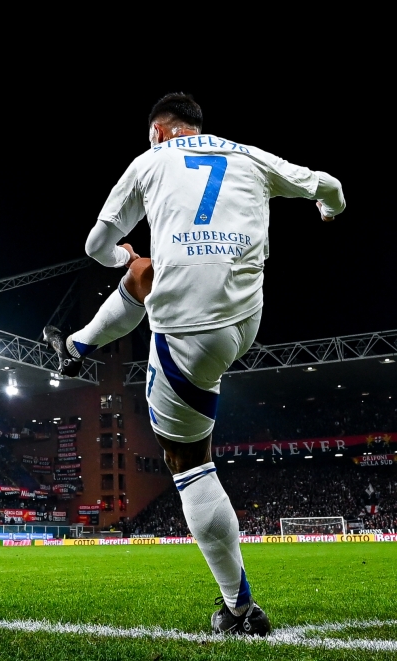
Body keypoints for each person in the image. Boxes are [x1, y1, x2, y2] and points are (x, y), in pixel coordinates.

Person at [43, 92, 345, 637]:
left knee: (188, 463)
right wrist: (328, 210)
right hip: (245, 321)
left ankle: (239, 608)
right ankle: (78, 347)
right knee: (145, 276)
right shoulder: (250, 155)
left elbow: (95, 245)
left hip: (188, 333)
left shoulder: (150, 161)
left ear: (159, 132)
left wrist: (121, 253)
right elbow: (330, 186)